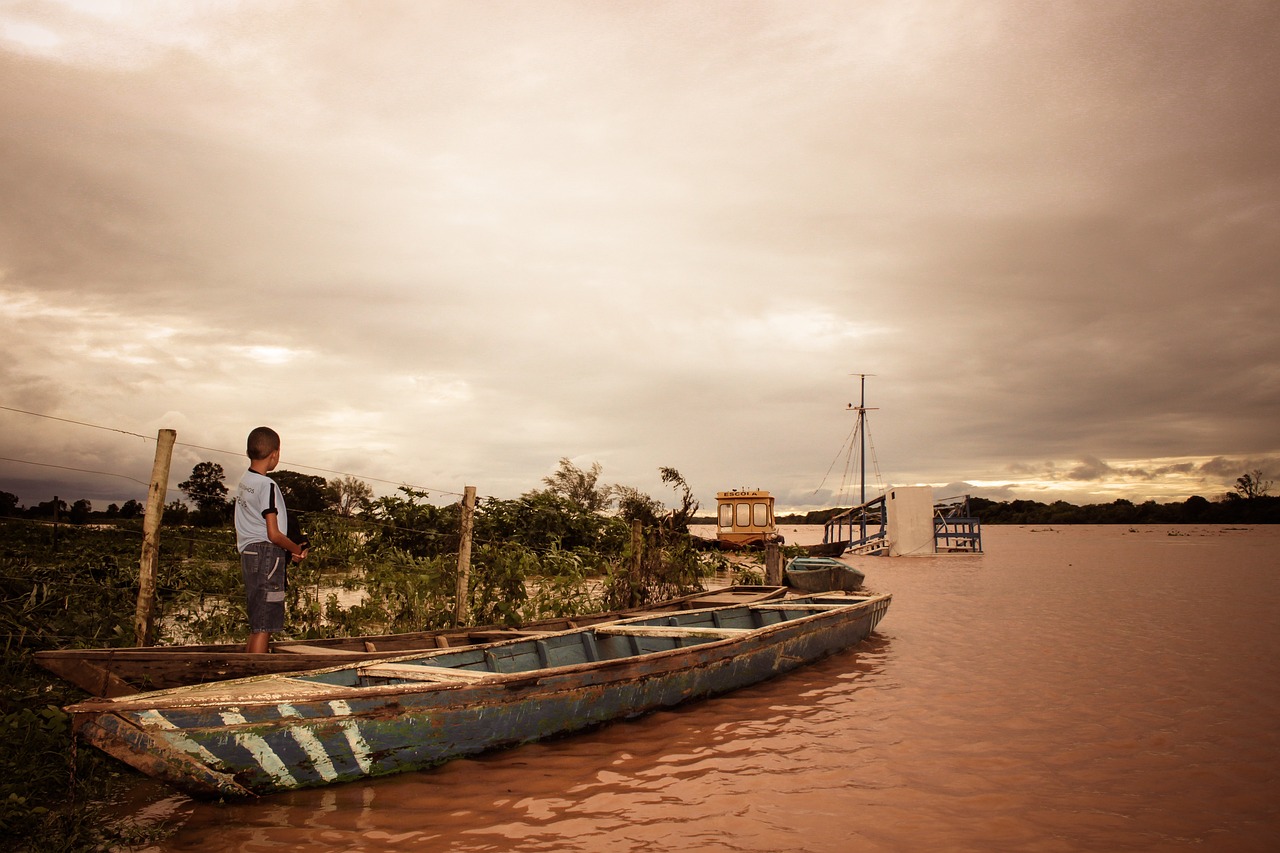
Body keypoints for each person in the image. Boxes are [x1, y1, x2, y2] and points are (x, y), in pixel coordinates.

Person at [233, 426, 308, 653]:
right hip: (267, 556)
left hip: (249, 554)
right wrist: (296, 549)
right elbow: (273, 534)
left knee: (258, 621)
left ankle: (247, 672)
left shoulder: (245, 481)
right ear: (274, 454)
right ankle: (257, 676)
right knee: (265, 623)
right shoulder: (268, 486)